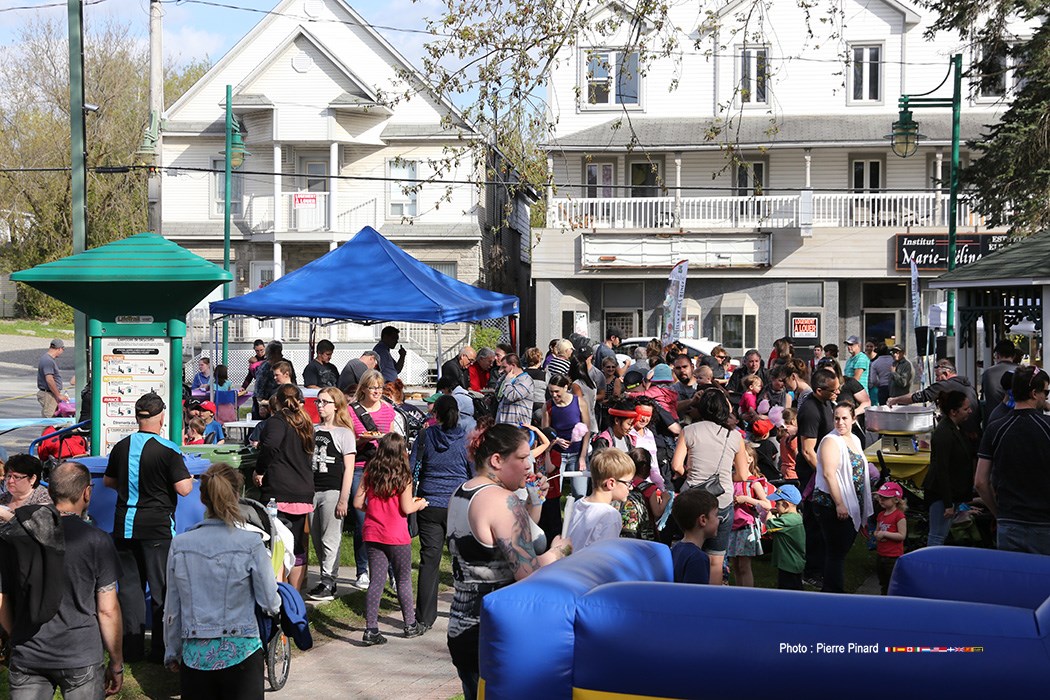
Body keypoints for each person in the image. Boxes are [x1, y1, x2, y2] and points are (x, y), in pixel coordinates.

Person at [446, 423, 571, 699]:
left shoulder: (464, 491)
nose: (530, 465)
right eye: (522, 457)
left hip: (461, 629)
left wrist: (533, 501)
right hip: (495, 635)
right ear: (497, 460)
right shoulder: (503, 502)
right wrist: (558, 552)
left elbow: (506, 539)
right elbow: (527, 572)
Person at [0, 461, 123, 699]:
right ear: (87, 492)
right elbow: (108, 609)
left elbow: (2, 597)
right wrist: (116, 661)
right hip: (80, 653)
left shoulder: (14, 535)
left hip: (28, 652)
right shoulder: (97, 540)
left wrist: (14, 636)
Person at [163, 463, 280, 699]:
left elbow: (172, 606)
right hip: (242, 650)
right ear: (237, 496)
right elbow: (269, 601)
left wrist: (172, 650)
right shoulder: (251, 543)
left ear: (203, 499)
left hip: (196, 653)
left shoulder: (180, 544)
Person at [104, 392, 193, 662]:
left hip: (124, 527)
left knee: (129, 590)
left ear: (136, 417)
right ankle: (160, 650)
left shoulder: (121, 446)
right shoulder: (168, 449)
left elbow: (108, 482)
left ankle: (131, 650)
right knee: (161, 590)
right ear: (162, 417)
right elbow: (185, 489)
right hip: (156, 528)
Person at [353, 434, 428, 646]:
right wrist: (420, 504)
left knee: (376, 581)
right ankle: (410, 625)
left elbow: (357, 503)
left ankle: (371, 629)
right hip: (396, 534)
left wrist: (373, 511)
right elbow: (406, 508)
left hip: (373, 532)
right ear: (401, 451)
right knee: (403, 579)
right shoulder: (404, 476)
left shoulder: (370, 472)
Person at [671, 388, 749, 584]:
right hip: (721, 501)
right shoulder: (735, 436)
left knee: (688, 549)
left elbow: (676, 466)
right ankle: (711, 601)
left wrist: (690, 473)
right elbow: (742, 474)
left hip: (692, 499)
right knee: (716, 561)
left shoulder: (689, 431)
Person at [411, 395, 471, 632]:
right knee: (462, 561)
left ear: (435, 413)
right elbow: (473, 471)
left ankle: (424, 618)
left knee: (429, 561)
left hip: (428, 503)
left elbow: (413, 465)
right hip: (458, 504)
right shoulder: (466, 440)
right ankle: (466, 613)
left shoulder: (425, 436)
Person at [975, 366, 1050, 554]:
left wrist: (998, 514)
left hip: (1008, 523)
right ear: (1034, 393)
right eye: (1046, 392)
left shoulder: (995, 428)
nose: (1047, 397)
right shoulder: (1046, 428)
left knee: (1011, 580)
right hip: (1044, 523)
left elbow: (980, 482)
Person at [252, 384, 315, 591]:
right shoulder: (305, 422)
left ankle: (277, 593)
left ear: (276, 401)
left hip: (278, 492)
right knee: (297, 547)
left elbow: (271, 445)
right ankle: (294, 595)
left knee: (276, 546)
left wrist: (259, 470)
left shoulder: (277, 421)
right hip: (302, 491)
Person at [347, 369, 405, 589]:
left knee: (385, 520)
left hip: (383, 469)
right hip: (360, 467)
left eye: (380, 388)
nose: (377, 392)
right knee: (363, 521)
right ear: (364, 388)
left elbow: (390, 439)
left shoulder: (388, 410)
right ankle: (362, 570)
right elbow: (348, 441)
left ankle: (389, 569)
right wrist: (361, 440)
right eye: (373, 388)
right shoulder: (352, 411)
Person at [813, 402, 873, 593]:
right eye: (836, 418)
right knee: (836, 552)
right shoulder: (830, 441)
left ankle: (832, 591)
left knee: (841, 550)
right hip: (832, 505)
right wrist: (839, 504)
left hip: (851, 502)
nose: (840, 422)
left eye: (845, 418)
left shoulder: (854, 438)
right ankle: (833, 592)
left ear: (854, 419)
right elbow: (829, 474)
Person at [307, 387, 357, 601]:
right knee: (317, 538)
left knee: (330, 537)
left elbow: (349, 468)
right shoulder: (313, 430)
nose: (320, 405)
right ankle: (324, 577)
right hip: (312, 490)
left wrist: (344, 498)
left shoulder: (344, 433)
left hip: (332, 490)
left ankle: (329, 580)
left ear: (336, 406)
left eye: (325, 402)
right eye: (318, 401)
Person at [795, 367, 839, 586]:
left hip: (823, 472)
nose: (837, 393)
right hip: (813, 475)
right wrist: (825, 475)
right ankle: (812, 571)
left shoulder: (826, 402)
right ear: (820, 390)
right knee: (814, 522)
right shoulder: (810, 410)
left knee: (824, 522)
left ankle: (822, 565)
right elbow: (807, 451)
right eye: (833, 390)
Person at [887, 360, 981, 449]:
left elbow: (919, 396)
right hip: (976, 436)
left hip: (961, 439)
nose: (936, 379)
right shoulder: (969, 387)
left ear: (946, 374)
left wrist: (895, 400)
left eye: (937, 375)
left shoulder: (944, 385)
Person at [924, 390, 975, 547]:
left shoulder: (955, 428)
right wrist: (947, 503)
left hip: (949, 493)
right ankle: (931, 568)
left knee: (941, 535)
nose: (970, 411)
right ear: (954, 412)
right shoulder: (944, 433)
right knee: (937, 536)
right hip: (941, 495)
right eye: (966, 409)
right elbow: (942, 469)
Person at [565, 448, 634, 550]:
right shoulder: (611, 516)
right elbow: (604, 556)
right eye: (628, 483)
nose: (631, 487)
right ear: (611, 483)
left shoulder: (578, 504)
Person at [727, 444, 771, 587]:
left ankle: (748, 594)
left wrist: (746, 499)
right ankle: (739, 593)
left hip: (745, 526)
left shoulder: (753, 482)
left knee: (744, 565)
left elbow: (767, 504)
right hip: (732, 526)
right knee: (736, 565)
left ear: (750, 459)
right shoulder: (731, 480)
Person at [670, 488, 719, 584]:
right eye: (716, 515)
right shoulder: (698, 558)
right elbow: (696, 596)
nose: (719, 520)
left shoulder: (675, 548)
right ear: (703, 520)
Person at [620, 448, 668, 540]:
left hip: (625, 529)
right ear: (647, 468)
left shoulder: (625, 484)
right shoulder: (650, 488)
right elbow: (657, 512)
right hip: (644, 533)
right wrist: (666, 499)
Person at [765, 484, 806, 590]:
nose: (775, 506)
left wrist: (769, 514)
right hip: (793, 562)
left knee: (789, 588)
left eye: (777, 504)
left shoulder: (787, 521)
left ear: (786, 505)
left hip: (789, 563)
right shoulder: (795, 517)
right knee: (795, 586)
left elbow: (769, 525)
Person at [873, 481, 907, 595]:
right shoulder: (881, 515)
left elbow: (902, 535)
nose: (881, 500)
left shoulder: (899, 516)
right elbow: (877, 530)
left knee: (892, 582)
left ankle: (892, 600)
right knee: (883, 582)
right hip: (881, 554)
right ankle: (884, 599)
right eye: (880, 497)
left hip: (893, 557)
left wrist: (885, 534)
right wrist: (877, 535)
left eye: (885, 498)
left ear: (896, 500)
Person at [0, 454, 53, 523]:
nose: (10, 481)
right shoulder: (3, 498)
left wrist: (6, 515)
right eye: (9, 476)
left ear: (32, 479)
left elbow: (37, 528)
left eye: (16, 477)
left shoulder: (44, 500)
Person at [495, 353, 534, 426]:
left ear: (513, 365)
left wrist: (507, 381)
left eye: (504, 367)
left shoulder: (526, 380)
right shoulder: (505, 379)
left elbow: (512, 396)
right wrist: (502, 381)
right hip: (502, 425)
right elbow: (498, 396)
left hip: (517, 427)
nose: (502, 370)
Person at [981, 339, 1017, 415]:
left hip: (993, 418)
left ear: (997, 355)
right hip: (1016, 418)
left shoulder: (988, 373)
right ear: (1014, 356)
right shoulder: (1021, 372)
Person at [36, 338, 68, 419]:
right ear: (59, 349)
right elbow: (49, 380)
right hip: (48, 395)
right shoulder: (47, 361)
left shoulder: (47, 359)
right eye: (62, 350)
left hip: (51, 394)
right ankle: (48, 432)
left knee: (56, 419)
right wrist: (58, 395)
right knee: (49, 420)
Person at [242, 339, 267, 418]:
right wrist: (243, 387)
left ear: (264, 348)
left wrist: (257, 363)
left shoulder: (268, 358)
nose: (259, 353)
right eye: (257, 351)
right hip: (259, 388)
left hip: (268, 388)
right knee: (256, 412)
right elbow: (249, 376)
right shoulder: (254, 360)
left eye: (261, 350)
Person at [523, 347, 548, 425]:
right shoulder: (545, 375)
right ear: (539, 360)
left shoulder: (521, 374)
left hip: (525, 406)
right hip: (540, 406)